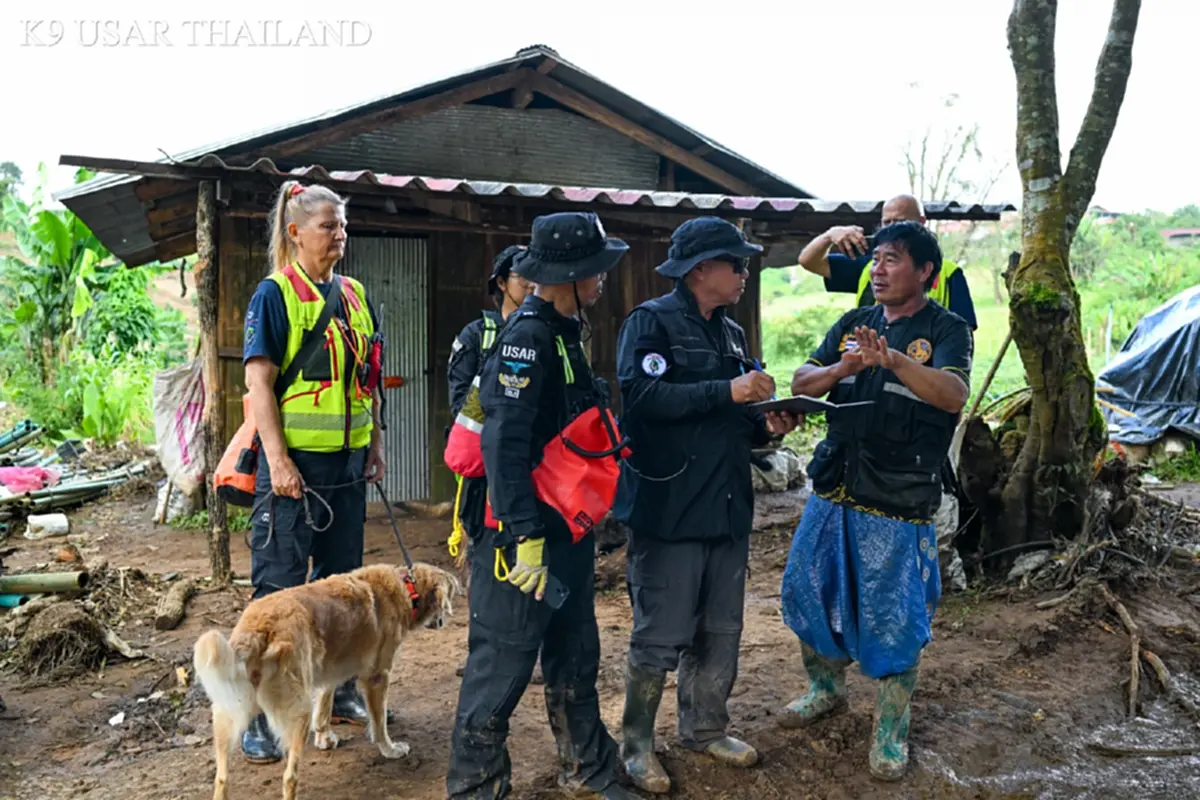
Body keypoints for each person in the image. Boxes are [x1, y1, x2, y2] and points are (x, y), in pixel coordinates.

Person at [446, 212, 638, 800]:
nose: (604, 279)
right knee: (501, 667)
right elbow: (503, 441)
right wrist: (522, 532)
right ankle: (476, 789)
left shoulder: (565, 329)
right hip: (520, 534)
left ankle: (589, 770)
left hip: (565, 530)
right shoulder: (527, 337)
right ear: (570, 274)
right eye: (596, 270)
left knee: (576, 652)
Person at [778, 221, 972, 781]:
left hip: (896, 497)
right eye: (876, 260)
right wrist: (846, 367)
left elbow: (954, 395)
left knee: (894, 616)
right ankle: (824, 689)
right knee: (808, 587)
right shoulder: (853, 322)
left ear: (925, 272)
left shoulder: (946, 328)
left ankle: (890, 731)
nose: (878, 270)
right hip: (834, 487)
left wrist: (894, 362)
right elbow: (803, 380)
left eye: (892, 260)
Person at [615, 217, 798, 793]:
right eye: (736, 264)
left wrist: (767, 425)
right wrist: (727, 391)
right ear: (700, 271)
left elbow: (735, 421)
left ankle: (706, 728)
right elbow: (641, 399)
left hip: (725, 504)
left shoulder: (732, 333)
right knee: (660, 632)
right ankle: (636, 746)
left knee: (721, 628)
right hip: (670, 507)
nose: (745, 273)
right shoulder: (652, 323)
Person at [238, 180, 387, 764]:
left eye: (343, 224)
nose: (339, 234)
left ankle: (341, 693)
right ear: (295, 232)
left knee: (343, 589)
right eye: (329, 225)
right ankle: (258, 718)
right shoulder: (274, 295)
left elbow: (367, 378)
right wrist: (277, 461)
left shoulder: (354, 295)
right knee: (277, 598)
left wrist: (374, 446)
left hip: (347, 468)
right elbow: (259, 385)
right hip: (293, 471)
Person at [444, 245, 534, 678]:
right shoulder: (477, 334)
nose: (532, 285)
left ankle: (529, 651)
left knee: (532, 555)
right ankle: (482, 654)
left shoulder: (550, 330)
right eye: (523, 278)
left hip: (537, 471)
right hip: (485, 469)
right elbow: (460, 403)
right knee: (484, 560)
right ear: (502, 284)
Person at [796, 194, 977, 330]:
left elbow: (963, 332)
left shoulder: (949, 273)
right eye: (886, 222)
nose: (892, 229)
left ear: (922, 223)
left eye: (900, 221)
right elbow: (808, 261)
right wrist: (830, 235)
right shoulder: (869, 267)